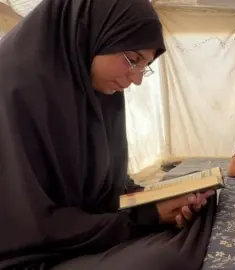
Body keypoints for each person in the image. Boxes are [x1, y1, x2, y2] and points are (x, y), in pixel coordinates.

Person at [0, 0, 216, 269]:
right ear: (93, 31)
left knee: (199, 217)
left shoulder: (97, 89)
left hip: (86, 234)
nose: (136, 79)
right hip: (31, 254)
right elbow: (30, 225)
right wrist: (145, 217)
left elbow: (109, 187)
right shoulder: (14, 88)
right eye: (133, 60)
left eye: (144, 66)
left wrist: (155, 202)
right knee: (167, 258)